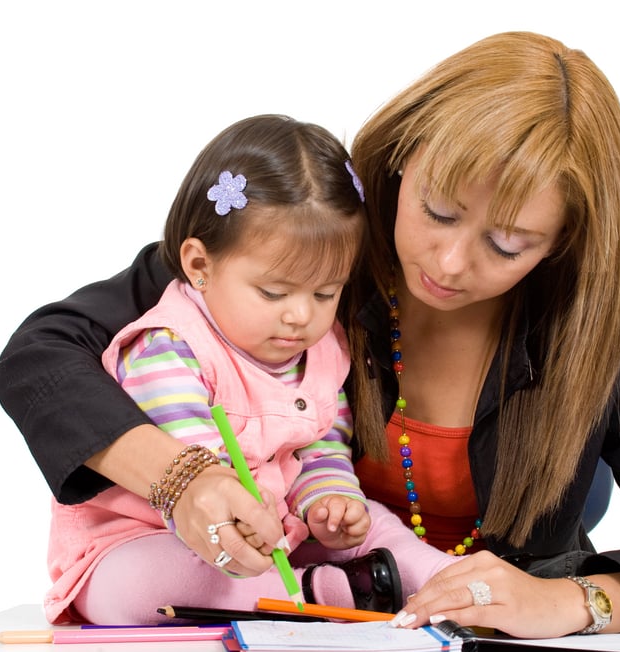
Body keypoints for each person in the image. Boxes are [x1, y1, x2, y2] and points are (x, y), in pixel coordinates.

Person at [0, 32, 620, 637]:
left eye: (508, 245)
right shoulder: (302, 247)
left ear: (561, 245)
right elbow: (41, 356)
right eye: (436, 211)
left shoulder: (601, 317)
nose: (451, 262)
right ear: (403, 162)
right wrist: (182, 477)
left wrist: (572, 601)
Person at [34, 114, 456, 625]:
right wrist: (242, 522)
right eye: (274, 292)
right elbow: (196, 477)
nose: (301, 315)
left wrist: (330, 502)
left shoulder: (323, 349)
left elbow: (321, 445)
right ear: (199, 265)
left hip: (275, 536)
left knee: (378, 523)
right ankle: (314, 593)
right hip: (152, 537)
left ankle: (444, 577)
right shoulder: (170, 347)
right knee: (139, 584)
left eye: (326, 293)